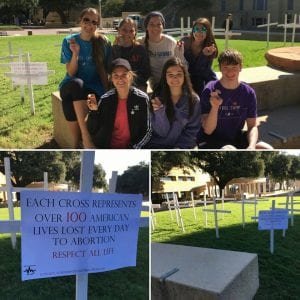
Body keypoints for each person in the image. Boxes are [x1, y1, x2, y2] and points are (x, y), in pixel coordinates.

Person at [199, 49, 273, 149]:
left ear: (240, 67)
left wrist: (251, 146)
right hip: (212, 139)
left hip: (236, 137)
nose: (230, 72)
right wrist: (215, 107)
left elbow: (252, 126)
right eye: (226, 67)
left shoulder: (248, 92)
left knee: (266, 148)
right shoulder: (210, 90)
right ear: (220, 68)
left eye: (234, 67)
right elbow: (208, 130)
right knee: (229, 148)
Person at [59, 7, 111, 148]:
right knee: (77, 84)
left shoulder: (103, 42)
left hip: (93, 89)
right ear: (80, 21)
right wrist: (75, 53)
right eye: (86, 20)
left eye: (94, 22)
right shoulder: (69, 41)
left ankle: (76, 144)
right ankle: (86, 138)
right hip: (71, 85)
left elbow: (103, 70)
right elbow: (70, 73)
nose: (90, 24)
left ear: (97, 25)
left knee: (69, 104)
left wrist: (106, 93)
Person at [86, 58, 151, 149]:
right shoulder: (105, 100)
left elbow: (148, 130)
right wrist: (93, 112)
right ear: (111, 79)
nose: (120, 79)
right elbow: (92, 129)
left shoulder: (142, 99)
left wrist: (134, 148)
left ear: (130, 76)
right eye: (115, 76)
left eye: (124, 75)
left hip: (133, 149)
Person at [147, 57, 201, 149]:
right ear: (165, 77)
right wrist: (159, 112)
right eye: (170, 75)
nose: (175, 78)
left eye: (179, 74)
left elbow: (192, 131)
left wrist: (179, 147)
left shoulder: (193, 100)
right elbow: (161, 132)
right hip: (156, 146)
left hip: (181, 147)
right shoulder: (156, 98)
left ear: (185, 76)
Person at [137, 11, 185, 92]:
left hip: (173, 82)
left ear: (163, 26)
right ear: (146, 27)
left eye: (159, 25)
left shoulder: (171, 42)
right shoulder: (140, 42)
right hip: (156, 84)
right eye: (151, 24)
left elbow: (182, 64)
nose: (155, 28)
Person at [179, 17, 218, 98]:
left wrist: (203, 56)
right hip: (186, 75)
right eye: (197, 29)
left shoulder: (209, 47)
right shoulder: (185, 42)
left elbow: (203, 72)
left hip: (202, 77)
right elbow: (178, 61)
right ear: (193, 30)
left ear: (207, 32)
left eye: (203, 30)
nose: (199, 33)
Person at [112, 17, 151, 92]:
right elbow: (111, 70)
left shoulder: (140, 50)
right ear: (119, 30)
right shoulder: (114, 49)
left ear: (135, 33)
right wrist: (116, 49)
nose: (127, 33)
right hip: (119, 86)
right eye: (124, 30)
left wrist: (128, 81)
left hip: (138, 87)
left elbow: (146, 73)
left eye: (131, 31)